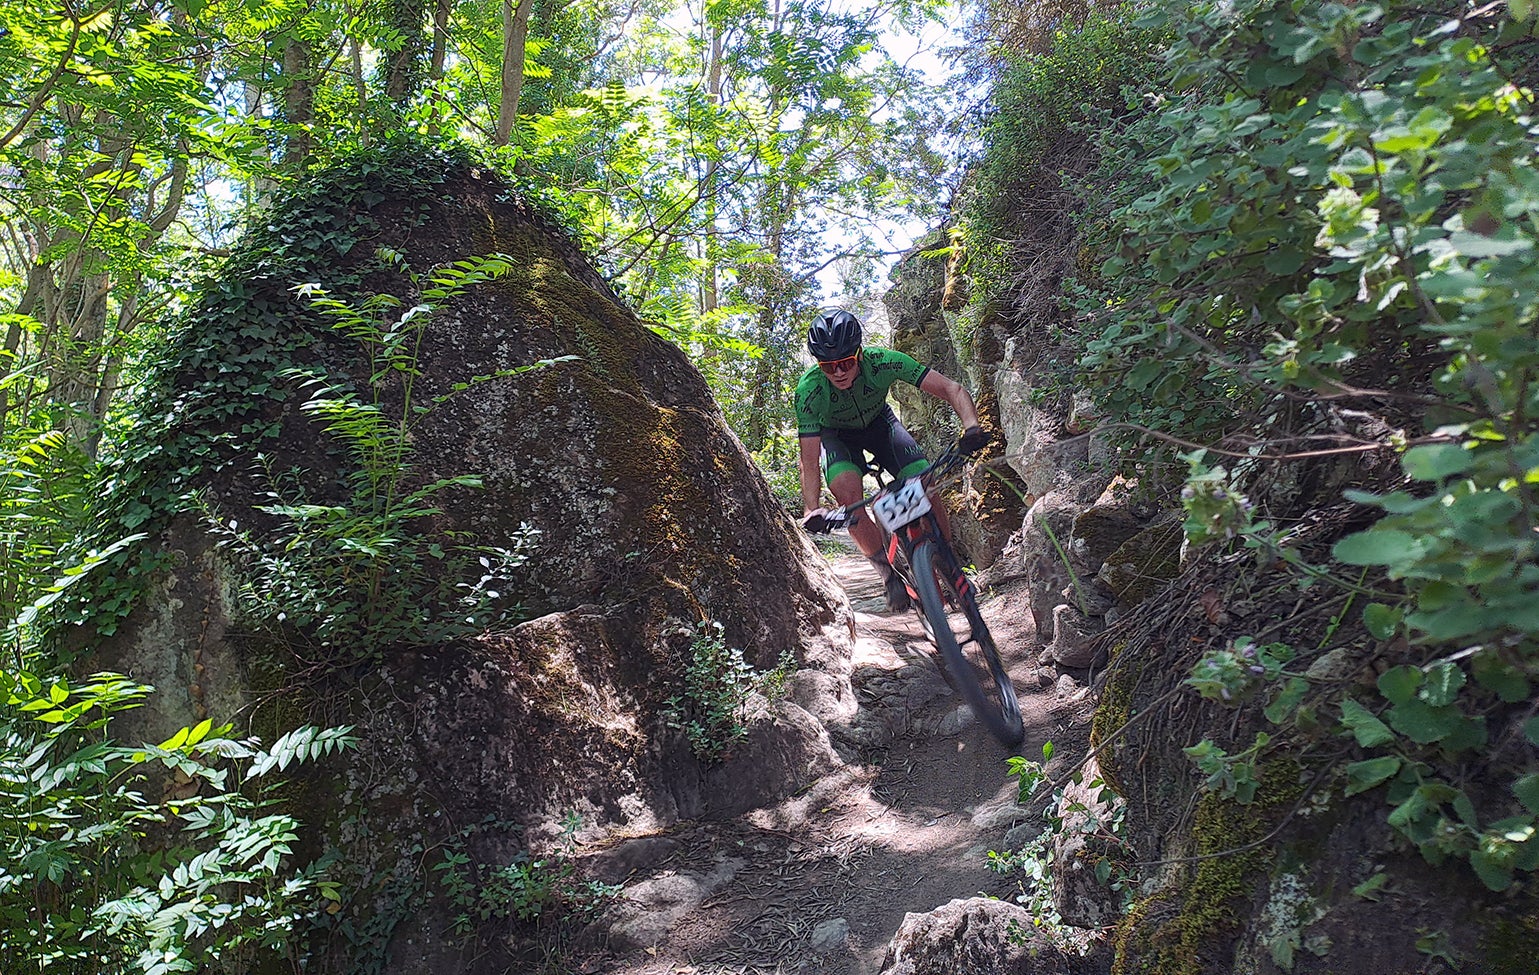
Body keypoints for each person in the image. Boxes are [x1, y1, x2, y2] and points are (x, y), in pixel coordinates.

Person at [795, 308, 991, 611]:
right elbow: (809, 458)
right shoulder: (809, 390)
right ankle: (888, 575)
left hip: (881, 427)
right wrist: (812, 507)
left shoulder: (883, 361)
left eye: (846, 362)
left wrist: (972, 427)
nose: (838, 373)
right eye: (828, 366)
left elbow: (952, 389)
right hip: (837, 438)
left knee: (924, 481)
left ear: (859, 354)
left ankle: (950, 564)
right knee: (848, 496)